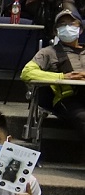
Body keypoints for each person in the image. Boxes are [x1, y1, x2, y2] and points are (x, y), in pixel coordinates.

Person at [21, 10, 85, 146]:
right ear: (56, 31)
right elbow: (27, 73)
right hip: (68, 98)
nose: (67, 27)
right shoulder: (48, 52)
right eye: (62, 24)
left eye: (72, 24)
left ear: (80, 29)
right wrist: (62, 77)